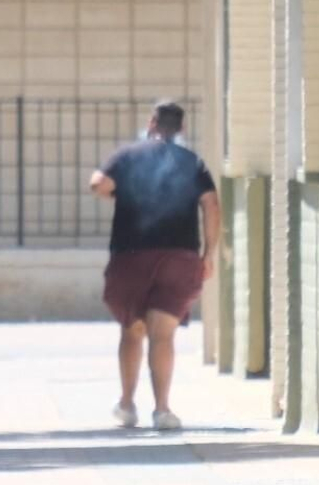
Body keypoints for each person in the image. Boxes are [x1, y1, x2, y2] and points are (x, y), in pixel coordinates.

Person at [89, 100, 221, 431]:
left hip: (131, 255)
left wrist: (121, 193)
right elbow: (211, 204)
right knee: (163, 335)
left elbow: (98, 184)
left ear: (151, 123)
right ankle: (162, 409)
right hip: (179, 256)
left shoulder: (128, 156)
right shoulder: (192, 163)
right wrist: (209, 253)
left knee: (132, 331)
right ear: (182, 129)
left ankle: (127, 403)